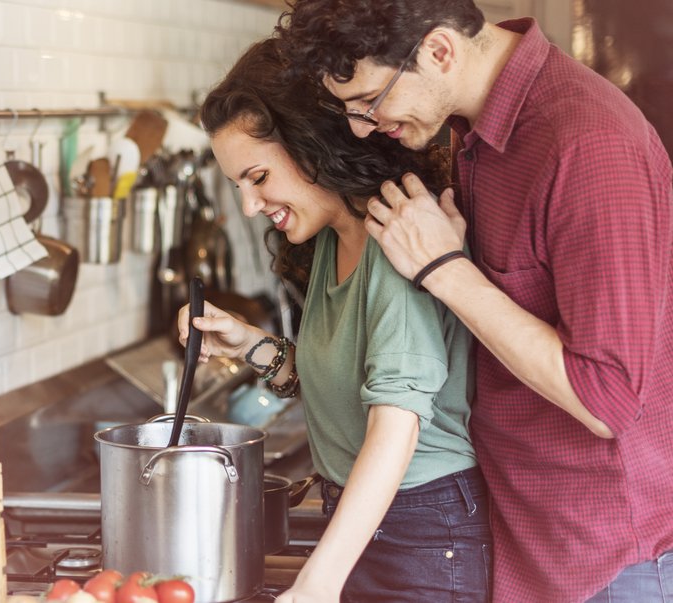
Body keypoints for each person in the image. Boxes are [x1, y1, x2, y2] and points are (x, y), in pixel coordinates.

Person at [278, 1, 673, 601]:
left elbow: (606, 398)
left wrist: (445, 270)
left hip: (606, 555)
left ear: (439, 51)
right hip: (528, 533)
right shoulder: (477, 132)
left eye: (368, 101)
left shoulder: (588, 144)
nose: (360, 126)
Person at [180, 37, 491, 602]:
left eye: (257, 177)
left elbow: (396, 423)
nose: (250, 206)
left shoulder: (393, 234)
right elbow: (347, 388)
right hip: (372, 520)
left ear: (309, 146)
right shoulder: (334, 238)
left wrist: (316, 584)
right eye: (237, 186)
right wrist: (248, 343)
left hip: (421, 530)